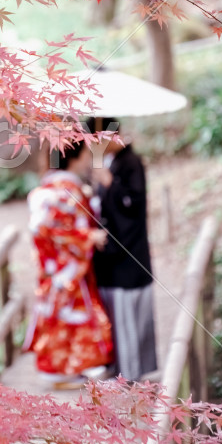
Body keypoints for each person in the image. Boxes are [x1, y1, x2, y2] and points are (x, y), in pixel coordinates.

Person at [23, 138, 114, 388]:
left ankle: (63, 369)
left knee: (60, 314)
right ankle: (64, 370)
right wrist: (88, 237)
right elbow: (52, 228)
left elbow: (44, 228)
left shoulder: (49, 187)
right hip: (68, 267)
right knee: (70, 315)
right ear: (73, 157)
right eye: (85, 154)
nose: (88, 159)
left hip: (55, 265)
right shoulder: (69, 190)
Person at [88, 117, 157, 382]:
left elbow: (133, 205)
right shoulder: (110, 162)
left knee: (129, 319)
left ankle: (130, 375)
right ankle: (121, 370)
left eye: (97, 139)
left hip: (129, 253)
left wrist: (111, 185)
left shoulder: (131, 162)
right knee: (116, 318)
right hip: (111, 253)